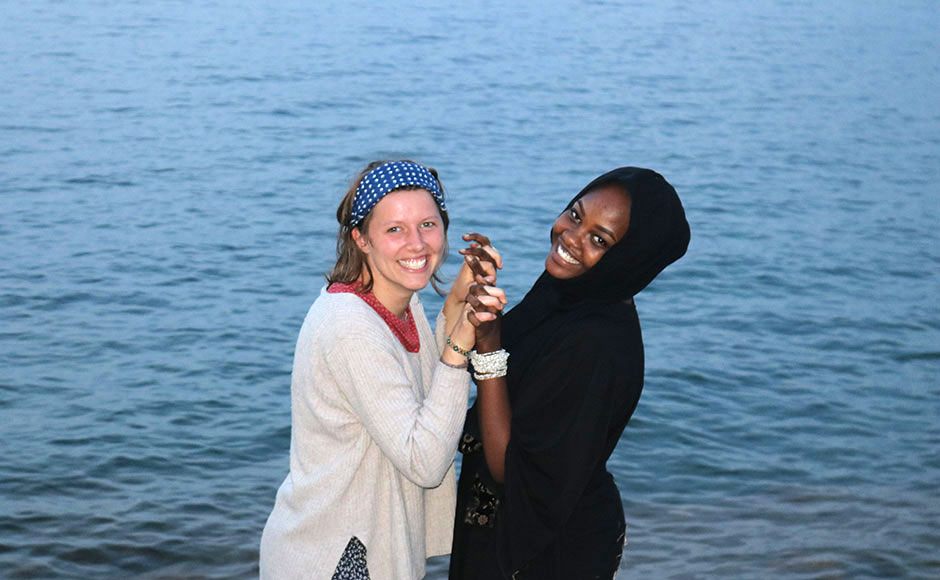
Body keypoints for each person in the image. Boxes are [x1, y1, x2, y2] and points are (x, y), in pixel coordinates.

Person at [259, 160, 506, 580]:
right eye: (395, 229)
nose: (417, 244)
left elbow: (426, 397)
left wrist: (459, 302)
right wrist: (460, 346)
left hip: (364, 548)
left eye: (428, 224)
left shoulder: (400, 302)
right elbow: (425, 461)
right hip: (339, 560)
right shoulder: (350, 327)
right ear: (361, 239)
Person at [449, 167, 691, 579]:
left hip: (552, 550)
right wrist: (472, 289)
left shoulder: (596, 344)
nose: (571, 237)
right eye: (575, 215)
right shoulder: (568, 295)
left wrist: (489, 347)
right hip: (505, 520)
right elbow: (516, 373)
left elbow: (513, 469)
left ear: (628, 258)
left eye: (600, 240)